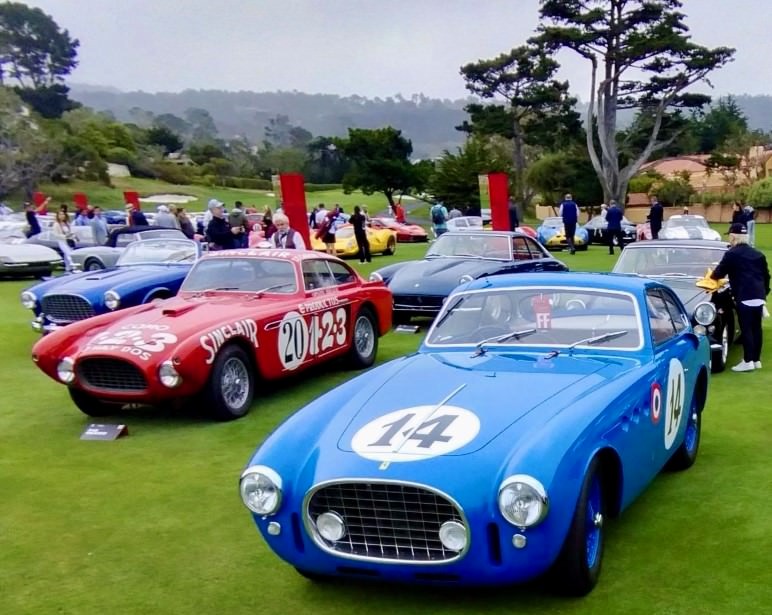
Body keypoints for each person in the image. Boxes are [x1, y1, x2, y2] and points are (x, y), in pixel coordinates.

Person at [710, 223, 770, 372]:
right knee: (756, 328)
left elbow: (718, 273)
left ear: (733, 237)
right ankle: (756, 360)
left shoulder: (732, 254)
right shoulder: (757, 254)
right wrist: (764, 293)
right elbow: (766, 276)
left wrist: (711, 276)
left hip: (744, 295)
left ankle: (748, 361)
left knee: (747, 328)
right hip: (759, 295)